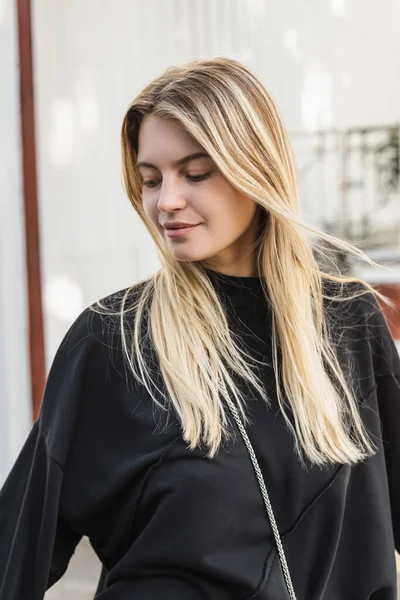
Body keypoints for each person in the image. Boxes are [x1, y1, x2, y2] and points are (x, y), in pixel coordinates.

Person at [0, 57, 399, 600]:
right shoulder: (114, 340)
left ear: (255, 168)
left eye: (195, 172)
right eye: (149, 179)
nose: (166, 201)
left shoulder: (348, 321)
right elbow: (17, 547)